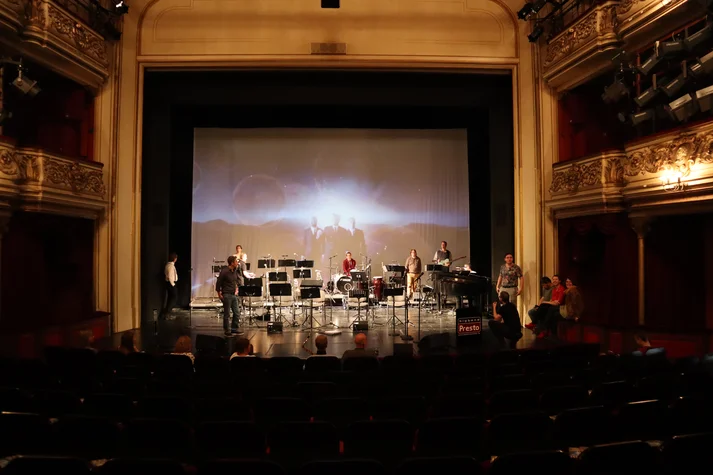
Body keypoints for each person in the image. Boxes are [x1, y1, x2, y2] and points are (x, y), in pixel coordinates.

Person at [216, 255, 245, 336]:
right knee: (227, 313)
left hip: (233, 295)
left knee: (237, 312)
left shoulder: (235, 271)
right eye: (236, 262)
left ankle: (234, 329)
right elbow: (218, 284)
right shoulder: (224, 271)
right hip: (226, 295)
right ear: (232, 263)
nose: (237, 263)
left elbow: (235, 281)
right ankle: (227, 330)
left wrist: (236, 289)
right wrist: (219, 295)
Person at [532, 274, 565, 339]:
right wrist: (549, 302)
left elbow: (558, 303)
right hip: (553, 305)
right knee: (542, 308)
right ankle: (538, 326)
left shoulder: (561, 289)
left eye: (556, 279)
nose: (554, 281)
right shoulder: (554, 289)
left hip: (560, 307)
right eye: (553, 279)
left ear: (559, 281)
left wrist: (546, 302)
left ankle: (541, 328)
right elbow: (552, 300)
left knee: (547, 308)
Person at [161, 252, 178, 319]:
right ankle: (167, 313)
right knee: (174, 298)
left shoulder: (168, 265)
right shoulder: (170, 266)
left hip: (169, 284)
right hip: (171, 284)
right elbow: (170, 276)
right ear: (174, 259)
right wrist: (173, 285)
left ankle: (166, 313)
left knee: (171, 298)